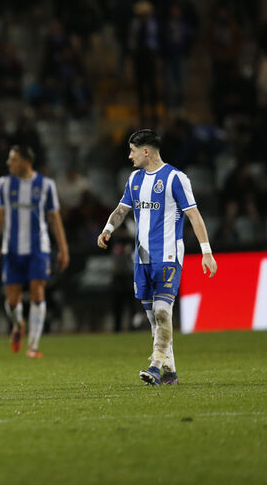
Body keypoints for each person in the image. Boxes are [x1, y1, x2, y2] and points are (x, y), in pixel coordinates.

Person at [97, 129, 217, 385]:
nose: (129, 156)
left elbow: (194, 216)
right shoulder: (134, 180)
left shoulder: (176, 178)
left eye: (132, 150)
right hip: (142, 256)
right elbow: (122, 209)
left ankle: (154, 366)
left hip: (168, 254)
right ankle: (170, 371)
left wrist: (206, 252)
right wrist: (108, 229)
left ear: (146, 151)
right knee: (153, 317)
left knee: (163, 313)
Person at [0, 145, 69, 358]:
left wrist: (63, 248)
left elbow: (54, 218)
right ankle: (18, 324)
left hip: (38, 248)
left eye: (13, 159)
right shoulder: (4, 184)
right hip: (12, 249)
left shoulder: (46, 185)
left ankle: (32, 346)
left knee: (37, 291)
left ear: (25, 161)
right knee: (12, 300)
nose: (9, 163)